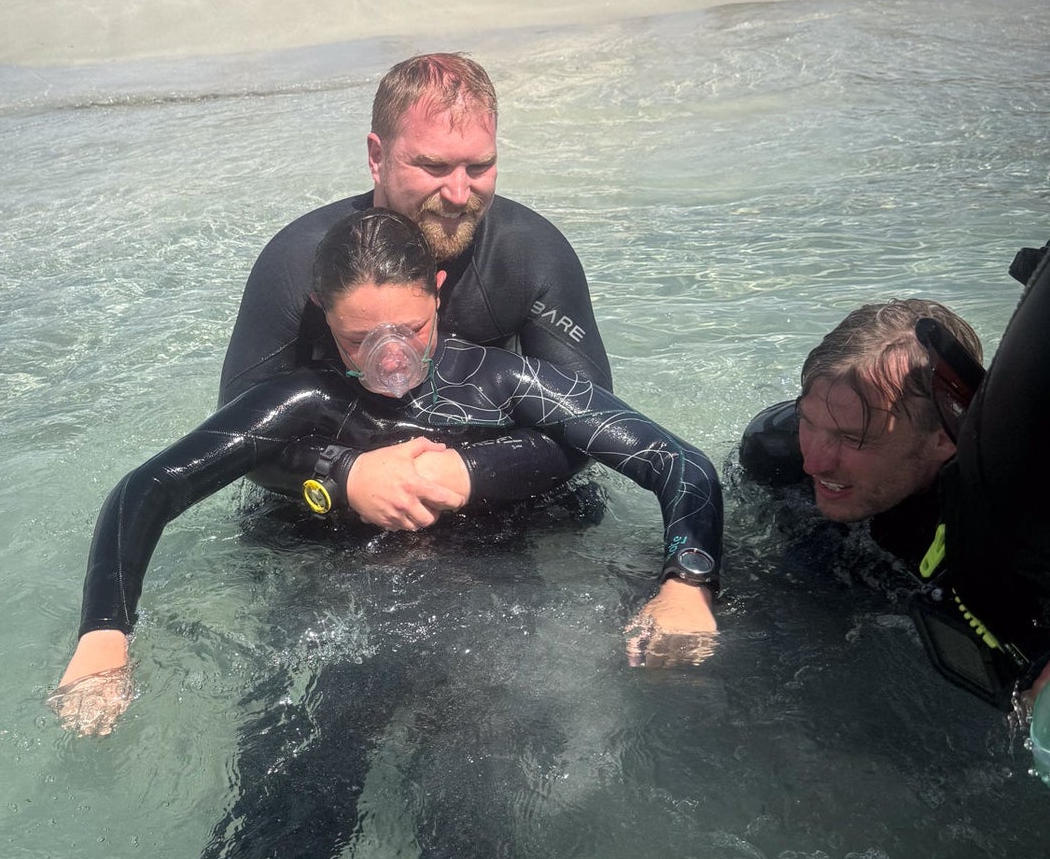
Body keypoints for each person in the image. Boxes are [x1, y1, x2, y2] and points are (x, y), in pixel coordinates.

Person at [53, 207, 721, 735]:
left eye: (410, 329)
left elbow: (677, 461)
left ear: (438, 295)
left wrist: (686, 581)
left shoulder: (504, 381)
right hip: (337, 614)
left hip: (483, 611)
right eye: (359, 340)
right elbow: (148, 487)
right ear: (321, 310)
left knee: (470, 799)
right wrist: (104, 634)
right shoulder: (302, 402)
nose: (392, 360)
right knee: (290, 811)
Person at [219, 53, 611, 533]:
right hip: (330, 507)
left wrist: (468, 471)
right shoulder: (298, 263)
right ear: (377, 157)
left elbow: (594, 424)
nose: (459, 193)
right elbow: (233, 435)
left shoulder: (530, 256)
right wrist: (345, 472)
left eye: (480, 166)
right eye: (433, 166)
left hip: (494, 499)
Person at [738, 242, 1050, 720]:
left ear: (946, 437)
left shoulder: (1000, 539)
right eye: (810, 420)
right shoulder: (774, 452)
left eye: (853, 439)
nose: (814, 463)